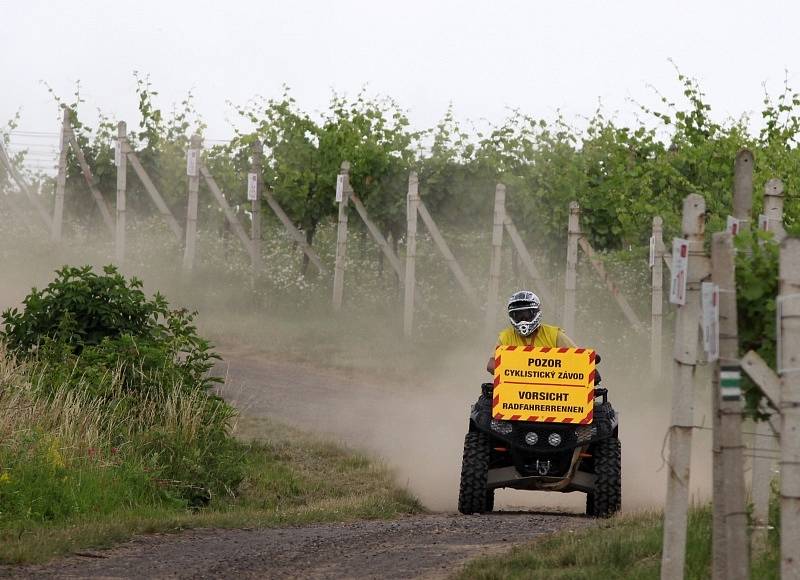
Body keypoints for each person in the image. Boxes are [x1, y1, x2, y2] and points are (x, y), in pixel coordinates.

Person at [486, 290, 577, 373]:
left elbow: (580, 360)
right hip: (515, 388)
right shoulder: (505, 337)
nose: (523, 320)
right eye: (518, 316)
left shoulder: (554, 335)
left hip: (551, 388)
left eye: (526, 315)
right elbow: (491, 365)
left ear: (536, 313)